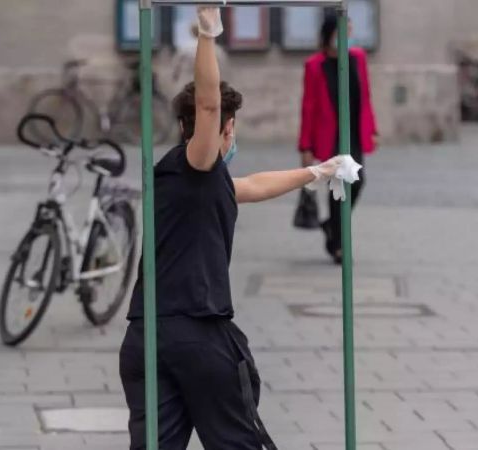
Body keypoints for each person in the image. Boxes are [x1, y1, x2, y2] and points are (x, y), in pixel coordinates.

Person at [119, 8, 347, 450]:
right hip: (197, 334)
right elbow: (208, 102)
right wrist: (208, 30)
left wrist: (316, 172)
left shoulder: (183, 178)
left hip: (146, 337)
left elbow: (253, 186)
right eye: (231, 128)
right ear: (222, 130)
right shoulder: (197, 163)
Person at [299, 15, 378, 264]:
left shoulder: (358, 58)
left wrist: (372, 128)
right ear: (330, 33)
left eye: (351, 30)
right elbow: (308, 107)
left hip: (353, 132)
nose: (348, 35)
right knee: (340, 186)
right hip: (329, 135)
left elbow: (365, 96)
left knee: (358, 181)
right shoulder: (315, 65)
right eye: (344, 30)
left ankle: (332, 227)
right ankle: (339, 244)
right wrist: (306, 146)